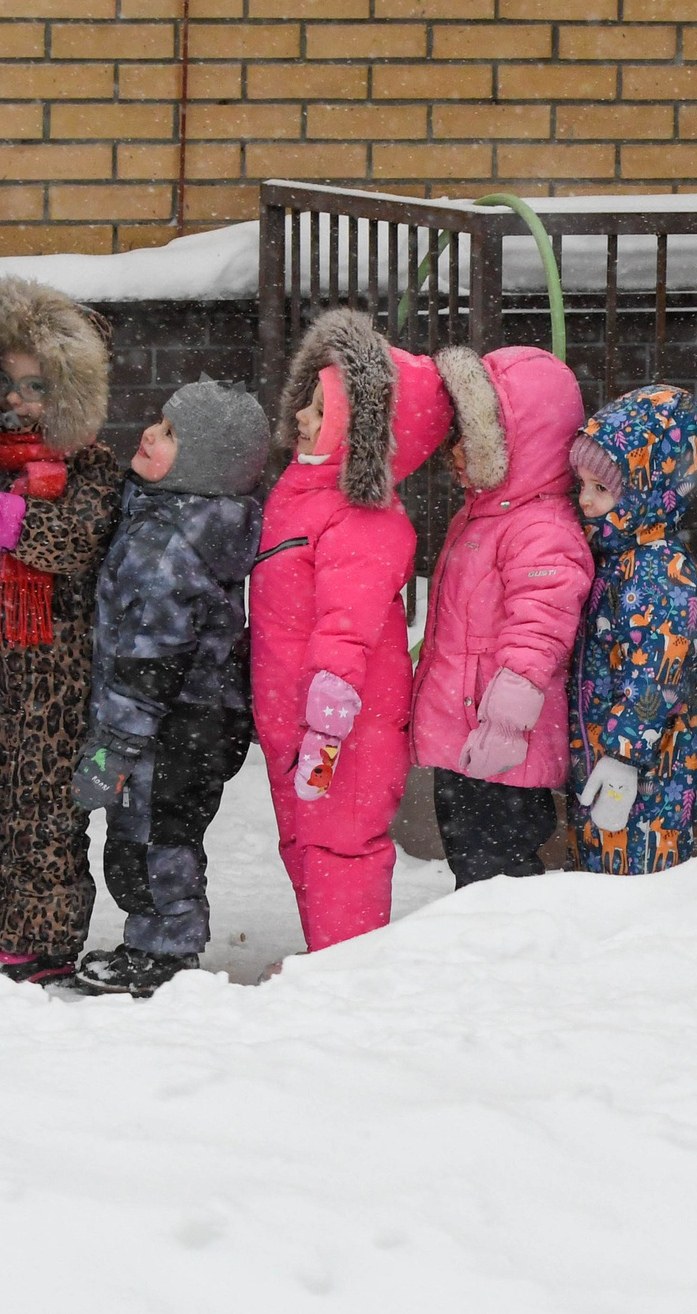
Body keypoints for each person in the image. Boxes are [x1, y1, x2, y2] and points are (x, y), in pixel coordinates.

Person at [250, 309, 453, 951]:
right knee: (304, 838)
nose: (302, 419)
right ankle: (324, 955)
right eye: (306, 403)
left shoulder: (361, 518)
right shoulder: (301, 491)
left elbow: (349, 621)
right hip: (295, 713)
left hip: (342, 723)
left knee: (342, 845)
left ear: (360, 434)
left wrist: (330, 709)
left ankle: (345, 969)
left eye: (319, 409)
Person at [0, 277, 124, 986]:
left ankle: (46, 936)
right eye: (4, 382)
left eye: (35, 387)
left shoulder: (88, 468)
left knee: (43, 804)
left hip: (53, 663)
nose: (15, 400)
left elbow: (73, 542)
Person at [69, 381, 270, 997]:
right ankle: (158, 939)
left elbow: (145, 661)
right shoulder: (204, 519)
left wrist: (112, 750)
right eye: (158, 420)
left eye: (171, 433)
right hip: (203, 719)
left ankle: (163, 952)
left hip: (163, 725)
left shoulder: (167, 543)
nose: (151, 433)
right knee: (172, 831)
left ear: (205, 463)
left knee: (148, 838)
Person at [409, 345, 594, 888]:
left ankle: (512, 961)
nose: (456, 453)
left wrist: (508, 722)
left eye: (473, 437)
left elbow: (540, 628)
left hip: (506, 744)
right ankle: (481, 954)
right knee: (472, 862)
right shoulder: (486, 515)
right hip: (465, 736)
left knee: (502, 870)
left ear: (517, 443)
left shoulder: (541, 529)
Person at [568, 386, 697, 876]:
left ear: (646, 491)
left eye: (602, 488)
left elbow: (657, 671)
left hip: (652, 777)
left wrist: (623, 758)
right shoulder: (618, 558)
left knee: (640, 901)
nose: (585, 500)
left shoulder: (660, 571)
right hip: (611, 763)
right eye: (582, 484)